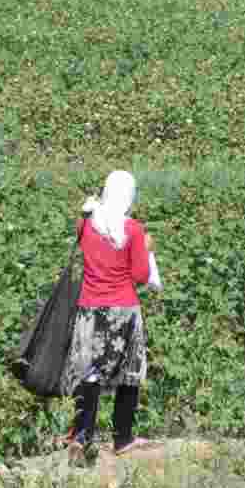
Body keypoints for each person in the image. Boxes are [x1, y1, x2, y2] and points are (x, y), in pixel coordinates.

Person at [62, 170, 154, 466]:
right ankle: (122, 437)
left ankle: (81, 435)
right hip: (123, 309)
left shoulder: (86, 224)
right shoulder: (133, 229)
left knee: (89, 372)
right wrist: (147, 249)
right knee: (129, 371)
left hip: (90, 307)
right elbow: (140, 275)